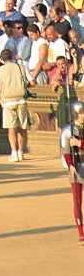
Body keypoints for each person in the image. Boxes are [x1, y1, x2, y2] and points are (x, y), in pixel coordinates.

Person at [0, 48, 30, 162]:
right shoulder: (21, 67)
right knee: (21, 127)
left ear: (2, 59)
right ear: (12, 57)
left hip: (8, 102)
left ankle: (14, 153)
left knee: (11, 128)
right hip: (21, 100)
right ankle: (21, 152)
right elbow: (32, 82)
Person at [61, 100, 84, 243]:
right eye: (80, 113)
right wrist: (70, 165)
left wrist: (80, 143)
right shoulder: (68, 130)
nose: (83, 115)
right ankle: (81, 231)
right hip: (77, 166)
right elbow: (65, 151)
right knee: (77, 202)